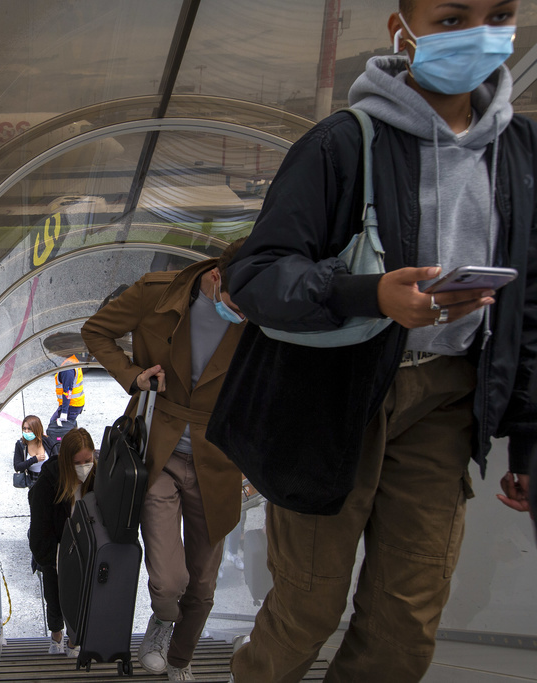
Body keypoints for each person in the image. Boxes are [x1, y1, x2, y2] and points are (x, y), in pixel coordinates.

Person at [208, 2, 535, 681]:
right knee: (309, 604)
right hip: (335, 397)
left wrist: (528, 437)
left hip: (447, 401)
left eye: (499, 13)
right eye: (450, 17)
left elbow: (529, 303)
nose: (479, 33)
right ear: (402, 32)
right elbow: (258, 274)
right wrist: (372, 293)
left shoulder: (520, 151)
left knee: (406, 621)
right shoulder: (342, 142)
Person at [80, 238, 248, 682]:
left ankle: (180, 657)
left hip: (221, 460)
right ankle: (162, 620)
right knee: (169, 580)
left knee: (204, 583)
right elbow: (96, 331)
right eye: (239, 304)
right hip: (158, 450)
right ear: (216, 278)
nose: (247, 316)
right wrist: (134, 376)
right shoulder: (157, 292)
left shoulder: (267, 310)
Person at [28, 428, 96, 657]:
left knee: (81, 599)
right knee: (55, 599)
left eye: (89, 461)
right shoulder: (49, 483)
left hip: (84, 553)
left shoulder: (97, 478)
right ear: (67, 462)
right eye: (79, 462)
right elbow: (39, 533)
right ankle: (56, 634)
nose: (85, 467)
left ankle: (74, 641)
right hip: (55, 553)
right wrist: (57, 559)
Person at [13, 415, 54, 489]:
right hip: (33, 481)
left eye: (29, 429)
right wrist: (34, 459)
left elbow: (57, 457)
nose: (26, 431)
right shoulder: (20, 445)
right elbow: (17, 467)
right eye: (24, 428)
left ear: (37, 429)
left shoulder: (46, 441)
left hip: (49, 478)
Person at [51, 354, 85, 425]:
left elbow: (68, 391)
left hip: (71, 406)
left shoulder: (67, 368)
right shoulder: (72, 360)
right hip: (75, 403)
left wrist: (64, 412)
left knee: (55, 426)